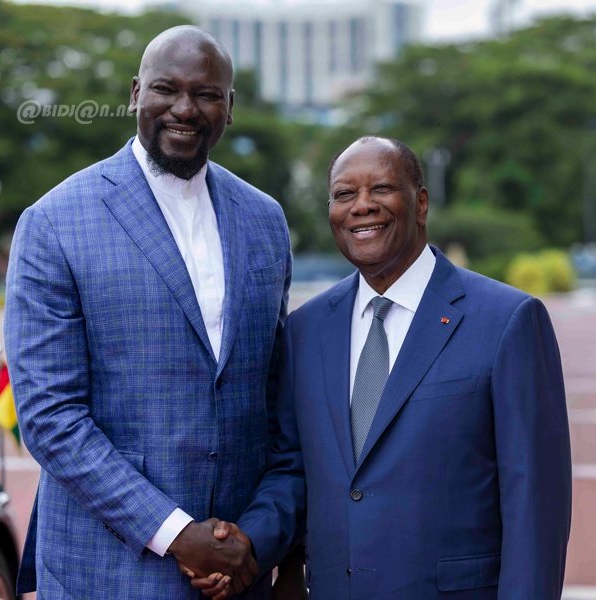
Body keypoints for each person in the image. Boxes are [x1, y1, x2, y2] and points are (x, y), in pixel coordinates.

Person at [200, 136, 572, 599]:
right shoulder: (305, 330)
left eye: (381, 189)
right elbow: (293, 472)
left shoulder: (507, 321)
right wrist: (246, 547)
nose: (362, 206)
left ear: (421, 203)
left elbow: (535, 503)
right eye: (344, 194)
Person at [4, 26, 300, 598]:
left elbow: (272, 401)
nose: (185, 109)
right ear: (136, 92)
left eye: (206, 94)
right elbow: (49, 416)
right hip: (108, 572)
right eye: (167, 89)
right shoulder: (54, 223)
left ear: (230, 107)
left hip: (237, 571)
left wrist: (256, 540)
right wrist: (177, 534)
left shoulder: (264, 219)